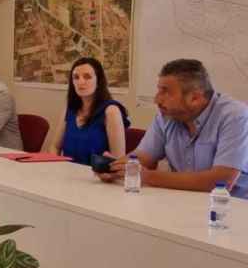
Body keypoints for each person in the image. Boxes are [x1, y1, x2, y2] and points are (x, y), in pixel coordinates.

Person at [99, 59, 248, 197]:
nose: (157, 99)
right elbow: (143, 157)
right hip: (183, 201)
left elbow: (221, 181)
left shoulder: (234, 116)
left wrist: (147, 176)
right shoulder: (167, 116)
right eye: (159, 90)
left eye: (166, 92)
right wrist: (114, 168)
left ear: (195, 98)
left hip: (232, 207)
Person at [50, 57, 129, 165]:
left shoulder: (111, 111)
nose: (80, 82)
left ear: (98, 81)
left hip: (96, 175)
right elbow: (54, 146)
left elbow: (118, 162)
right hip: (66, 172)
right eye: (76, 77)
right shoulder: (70, 108)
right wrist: (56, 167)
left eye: (87, 77)